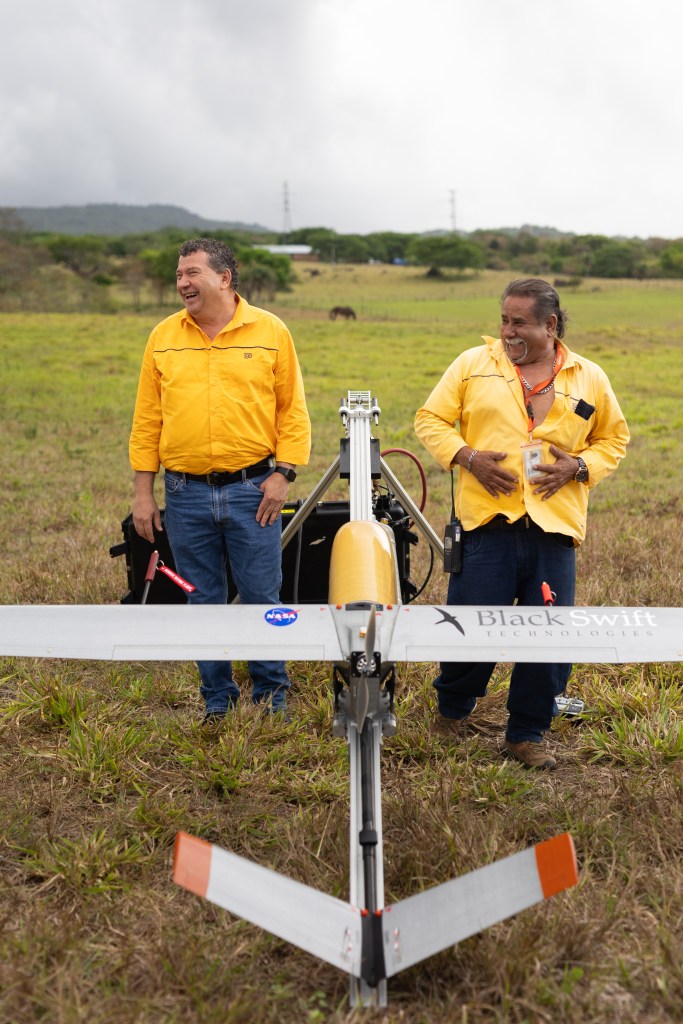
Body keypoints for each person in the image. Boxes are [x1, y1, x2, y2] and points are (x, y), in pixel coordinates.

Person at [414, 278, 629, 768]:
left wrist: (577, 467)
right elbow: (430, 420)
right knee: (471, 628)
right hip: (487, 525)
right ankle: (453, 711)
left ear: (549, 325)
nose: (507, 331)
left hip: (554, 530)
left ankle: (526, 734)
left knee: (549, 639)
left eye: (519, 322)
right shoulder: (474, 364)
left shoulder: (588, 377)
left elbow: (613, 440)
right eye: (504, 320)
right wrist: (468, 457)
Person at [129, 237, 311, 724]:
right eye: (178, 274)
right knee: (200, 596)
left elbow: (292, 411)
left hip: (254, 490)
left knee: (261, 595)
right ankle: (218, 698)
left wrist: (283, 475)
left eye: (192, 273)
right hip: (184, 495)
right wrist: (143, 493)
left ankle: (271, 696)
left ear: (224, 278)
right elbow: (148, 420)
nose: (182, 283)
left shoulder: (271, 331)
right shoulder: (163, 336)